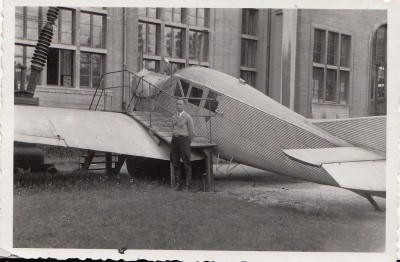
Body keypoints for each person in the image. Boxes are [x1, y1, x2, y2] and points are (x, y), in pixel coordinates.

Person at [170, 99, 195, 192]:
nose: (178, 106)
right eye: (177, 104)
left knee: (186, 163)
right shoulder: (173, 117)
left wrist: (188, 142)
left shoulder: (188, 117)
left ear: (183, 105)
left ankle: (187, 185)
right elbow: (172, 128)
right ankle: (178, 184)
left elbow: (192, 132)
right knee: (175, 161)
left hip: (184, 140)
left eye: (180, 104)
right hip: (175, 140)